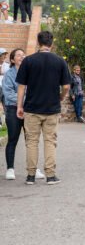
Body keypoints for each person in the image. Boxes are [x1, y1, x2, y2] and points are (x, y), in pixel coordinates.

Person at [16, 31, 71, 185]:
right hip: (52, 108)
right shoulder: (60, 61)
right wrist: (61, 97)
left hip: (32, 108)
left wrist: (19, 106)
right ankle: (51, 175)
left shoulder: (28, 61)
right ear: (51, 43)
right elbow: (66, 86)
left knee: (31, 141)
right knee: (50, 141)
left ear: (38, 42)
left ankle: (31, 175)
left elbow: (21, 86)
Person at [3, 48, 45, 181]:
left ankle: (34, 168)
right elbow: (8, 94)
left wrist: (26, 99)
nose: (22, 57)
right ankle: (10, 168)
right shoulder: (9, 74)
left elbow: (35, 90)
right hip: (12, 109)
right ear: (12, 59)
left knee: (31, 141)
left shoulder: (31, 73)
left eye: (23, 54)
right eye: (18, 55)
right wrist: (24, 98)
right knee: (12, 139)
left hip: (29, 111)